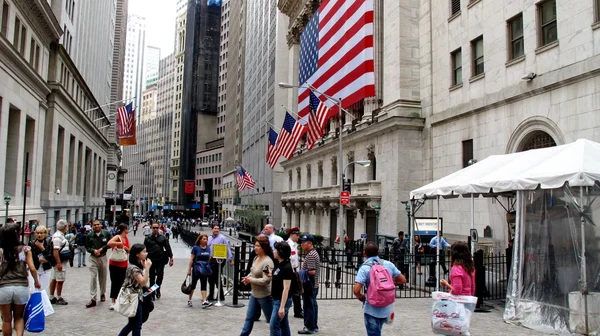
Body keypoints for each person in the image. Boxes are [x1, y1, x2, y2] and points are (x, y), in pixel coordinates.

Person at [353, 242, 406, 336]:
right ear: (378, 252)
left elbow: (356, 290)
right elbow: (403, 280)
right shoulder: (388, 264)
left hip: (371, 309)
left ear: (364, 253)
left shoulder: (364, 268)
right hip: (386, 308)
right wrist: (389, 282)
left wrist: (361, 297)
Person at [0, 224, 41, 336]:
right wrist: (36, 281)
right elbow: (32, 268)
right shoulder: (25, 249)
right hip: (21, 286)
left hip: (4, 287)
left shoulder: (1, 251)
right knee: (19, 317)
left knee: (6, 319)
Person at [240, 235, 274, 336]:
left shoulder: (267, 262)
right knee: (249, 317)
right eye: (255, 245)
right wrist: (247, 278)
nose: (255, 248)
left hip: (265, 296)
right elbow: (253, 272)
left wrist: (251, 280)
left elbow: (266, 280)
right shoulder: (256, 258)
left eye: (258, 246)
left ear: (264, 248)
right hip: (254, 294)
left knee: (271, 320)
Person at [118, 244, 152, 336]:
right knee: (137, 324)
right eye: (144, 252)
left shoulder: (136, 266)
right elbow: (143, 282)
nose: (146, 254)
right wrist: (147, 268)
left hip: (136, 297)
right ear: (137, 254)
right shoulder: (133, 268)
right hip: (133, 298)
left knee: (132, 323)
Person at [269, 242, 296, 336]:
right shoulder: (279, 264)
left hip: (281, 301)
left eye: (275, 250)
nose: (274, 251)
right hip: (276, 298)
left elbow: (286, 288)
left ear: (280, 252)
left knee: (274, 325)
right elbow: (276, 274)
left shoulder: (286, 267)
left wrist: (282, 307)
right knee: (284, 324)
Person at [85, 220, 111, 308]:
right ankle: (93, 298)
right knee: (93, 277)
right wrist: (93, 250)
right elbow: (87, 246)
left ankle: (102, 293)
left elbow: (109, 244)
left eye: (98, 224)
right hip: (93, 258)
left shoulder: (106, 233)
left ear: (101, 225)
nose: (96, 226)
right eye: (94, 225)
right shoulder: (89, 235)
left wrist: (102, 249)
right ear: (92, 226)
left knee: (103, 276)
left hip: (103, 256)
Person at [144, 223, 173, 300]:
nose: (155, 229)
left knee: (160, 276)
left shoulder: (163, 238)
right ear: (151, 228)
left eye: (157, 227)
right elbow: (144, 249)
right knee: (152, 277)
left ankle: (156, 288)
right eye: (154, 228)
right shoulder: (148, 238)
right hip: (151, 260)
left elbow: (168, 248)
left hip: (160, 260)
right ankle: (152, 292)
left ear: (159, 228)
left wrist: (171, 258)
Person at [298, 234, 320, 334]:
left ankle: (309, 327)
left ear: (310, 243)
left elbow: (312, 271)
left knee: (308, 306)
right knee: (313, 305)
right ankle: (314, 326)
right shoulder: (313, 253)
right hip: (313, 284)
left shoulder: (311, 255)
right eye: (301, 242)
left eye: (304, 242)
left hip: (309, 284)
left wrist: (300, 273)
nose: (302, 244)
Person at [207, 224, 233, 302]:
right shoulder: (209, 238)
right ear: (212, 229)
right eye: (215, 228)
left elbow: (227, 248)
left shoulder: (222, 238)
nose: (216, 230)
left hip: (219, 260)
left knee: (217, 277)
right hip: (211, 260)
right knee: (210, 278)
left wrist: (230, 259)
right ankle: (212, 295)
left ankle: (220, 295)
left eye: (218, 229)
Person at [108, 224, 131, 310]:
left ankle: (120, 300)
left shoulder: (126, 238)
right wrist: (119, 244)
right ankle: (113, 301)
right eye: (127, 229)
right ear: (124, 229)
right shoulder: (118, 237)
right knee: (114, 282)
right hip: (114, 263)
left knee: (122, 283)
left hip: (123, 263)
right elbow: (109, 243)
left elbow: (129, 250)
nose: (128, 230)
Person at [186, 234, 213, 307]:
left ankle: (204, 300)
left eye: (206, 239)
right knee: (193, 284)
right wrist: (189, 269)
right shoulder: (195, 248)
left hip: (204, 269)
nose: (205, 240)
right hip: (196, 269)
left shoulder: (208, 248)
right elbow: (191, 259)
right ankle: (190, 299)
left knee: (204, 284)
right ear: (200, 240)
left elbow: (209, 258)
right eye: (204, 239)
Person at [49, 219, 70, 305]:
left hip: (61, 260)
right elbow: (56, 250)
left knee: (54, 278)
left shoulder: (60, 235)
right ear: (65, 227)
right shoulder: (58, 237)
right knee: (60, 279)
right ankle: (58, 297)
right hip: (60, 261)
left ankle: (51, 296)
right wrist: (58, 262)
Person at [29, 225, 53, 290]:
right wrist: (38, 260)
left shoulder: (49, 242)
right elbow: (31, 257)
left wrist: (42, 248)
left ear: (45, 234)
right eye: (37, 233)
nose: (39, 235)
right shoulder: (32, 243)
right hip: (36, 268)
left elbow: (51, 256)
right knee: (34, 289)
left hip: (46, 268)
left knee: (43, 289)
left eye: (41, 233)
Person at [286, 227, 303, 318]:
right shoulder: (288, 245)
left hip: (295, 271)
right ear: (291, 235)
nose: (298, 237)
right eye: (296, 235)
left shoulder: (295, 245)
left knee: (297, 292)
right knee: (289, 291)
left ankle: (298, 311)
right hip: (290, 271)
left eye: (298, 235)